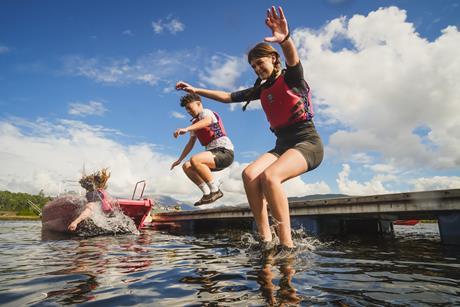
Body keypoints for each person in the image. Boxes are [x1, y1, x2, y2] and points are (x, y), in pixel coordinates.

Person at [175, 6, 323, 250]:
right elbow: (226, 96)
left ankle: (287, 246)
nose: (256, 69)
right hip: (282, 145)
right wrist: (196, 90)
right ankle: (266, 239)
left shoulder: (291, 79)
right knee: (249, 174)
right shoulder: (261, 90)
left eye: (260, 63)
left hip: (307, 142)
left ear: (273, 59)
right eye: (253, 66)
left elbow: (293, 58)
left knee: (270, 176)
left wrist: (285, 39)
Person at [171, 93, 235, 206]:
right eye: (187, 110)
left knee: (195, 159)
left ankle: (215, 190)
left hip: (224, 152)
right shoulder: (195, 123)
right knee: (187, 166)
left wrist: (186, 129)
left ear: (199, 104)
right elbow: (190, 144)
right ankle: (206, 193)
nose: (189, 111)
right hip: (212, 156)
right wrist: (179, 159)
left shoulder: (206, 113)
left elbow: (207, 121)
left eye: (190, 108)